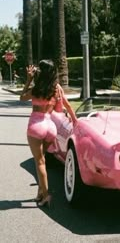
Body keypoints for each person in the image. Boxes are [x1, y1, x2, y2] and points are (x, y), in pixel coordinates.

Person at [20, 59, 78, 208]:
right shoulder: (56, 88)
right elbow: (64, 107)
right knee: (43, 160)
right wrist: (76, 122)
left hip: (36, 126)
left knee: (39, 162)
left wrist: (28, 80)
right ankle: (40, 192)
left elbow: (22, 97)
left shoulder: (36, 88)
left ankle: (46, 196)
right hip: (51, 127)